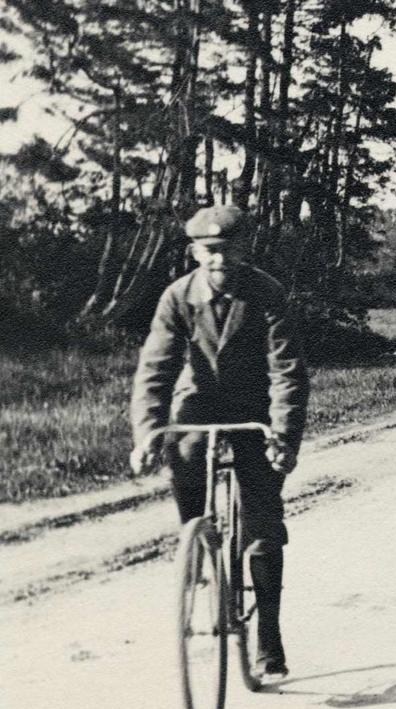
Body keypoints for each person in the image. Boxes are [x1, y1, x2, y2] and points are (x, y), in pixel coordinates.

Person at [130, 204, 309, 682]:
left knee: (263, 519)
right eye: (210, 251)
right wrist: (147, 431)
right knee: (182, 452)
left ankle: (268, 637)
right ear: (195, 252)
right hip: (200, 401)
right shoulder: (177, 297)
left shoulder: (267, 293)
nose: (220, 260)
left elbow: (287, 370)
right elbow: (157, 367)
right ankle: (197, 540)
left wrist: (284, 437)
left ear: (245, 251)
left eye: (229, 250)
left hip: (252, 407)